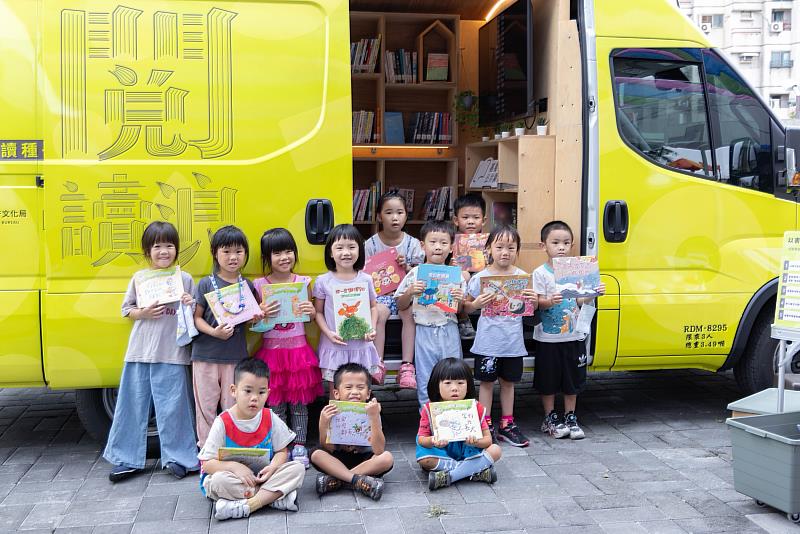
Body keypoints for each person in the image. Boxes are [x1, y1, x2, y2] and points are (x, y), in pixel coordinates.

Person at [104, 221, 199, 482]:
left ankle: (180, 459)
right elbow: (127, 310)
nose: (164, 251)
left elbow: (194, 317)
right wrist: (142, 313)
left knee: (174, 408)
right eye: (157, 246)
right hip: (140, 352)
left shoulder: (185, 279)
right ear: (148, 251)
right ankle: (126, 460)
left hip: (172, 352)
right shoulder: (140, 278)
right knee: (132, 406)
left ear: (176, 249)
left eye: (169, 245)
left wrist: (190, 304)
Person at [198, 358, 305, 520]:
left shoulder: (270, 417)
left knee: (297, 468)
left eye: (261, 392)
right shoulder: (223, 422)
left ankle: (246, 505)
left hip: (263, 477)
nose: (254, 398)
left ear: (268, 393)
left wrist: (274, 466)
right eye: (247, 391)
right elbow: (207, 464)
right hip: (235, 479)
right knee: (218, 480)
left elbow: (282, 452)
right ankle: (271, 498)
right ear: (233, 390)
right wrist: (234, 467)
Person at [253, 228, 323, 469]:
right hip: (272, 353)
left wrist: (312, 312)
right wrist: (261, 314)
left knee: (299, 403)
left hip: (298, 352)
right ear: (267, 257)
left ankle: (300, 445)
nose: (284, 257)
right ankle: (281, 446)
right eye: (277, 253)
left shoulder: (303, 282)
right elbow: (255, 325)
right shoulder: (260, 284)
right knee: (276, 403)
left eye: (288, 251)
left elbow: (313, 317)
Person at [463, 224, 537, 447]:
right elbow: (465, 308)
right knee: (485, 383)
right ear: (489, 249)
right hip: (487, 343)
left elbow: (529, 309)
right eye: (500, 247)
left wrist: (532, 300)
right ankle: (485, 425)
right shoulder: (480, 278)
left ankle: (507, 424)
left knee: (509, 383)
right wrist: (476, 303)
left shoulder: (523, 278)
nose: (505, 252)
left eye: (511, 247)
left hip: (512, 344)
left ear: (517, 251)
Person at [534, 220, 605, 440]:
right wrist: (549, 301)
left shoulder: (578, 272)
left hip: (574, 334)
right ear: (543, 245)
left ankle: (571, 416)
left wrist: (593, 293)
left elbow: (581, 301)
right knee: (548, 380)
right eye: (555, 242)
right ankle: (550, 416)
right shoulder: (540, 273)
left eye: (566, 243)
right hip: (548, 338)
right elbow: (536, 303)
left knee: (572, 379)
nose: (561, 247)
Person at [192, 225, 263, 447]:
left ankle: (233, 447)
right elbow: (197, 318)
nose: (233, 257)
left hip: (235, 357)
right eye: (226, 251)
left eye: (238, 252)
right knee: (206, 406)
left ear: (245, 254)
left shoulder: (246, 285)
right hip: (205, 356)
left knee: (233, 405)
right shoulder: (205, 283)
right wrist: (214, 332)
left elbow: (252, 319)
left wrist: (258, 317)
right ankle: (206, 449)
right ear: (215, 253)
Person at [396, 220, 465, 408]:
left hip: (448, 329)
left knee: (453, 376)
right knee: (427, 376)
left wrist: (460, 300)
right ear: (422, 245)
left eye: (443, 243)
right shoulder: (416, 273)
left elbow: (459, 311)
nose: (438, 247)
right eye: (433, 242)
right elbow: (400, 304)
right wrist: (410, 292)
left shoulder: (456, 275)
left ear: (451, 247)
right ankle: (427, 420)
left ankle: (453, 418)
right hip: (424, 331)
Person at [366, 191, 425, 388]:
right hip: (381, 296)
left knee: (408, 314)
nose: (394, 217)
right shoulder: (370, 244)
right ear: (379, 216)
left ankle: (407, 366)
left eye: (399, 212)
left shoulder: (413, 244)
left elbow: (420, 273)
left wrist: (406, 266)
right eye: (389, 212)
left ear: (406, 216)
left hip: (405, 294)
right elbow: (364, 273)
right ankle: (378, 364)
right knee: (379, 314)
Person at [311, 362, 394, 500]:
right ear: (336, 393)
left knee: (387, 458)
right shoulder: (331, 411)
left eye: (360, 387)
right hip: (338, 459)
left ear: (368, 393)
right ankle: (357, 481)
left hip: (366, 462)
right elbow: (326, 447)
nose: (354, 392)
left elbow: (379, 450)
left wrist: (374, 417)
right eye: (348, 387)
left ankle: (338, 480)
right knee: (316, 454)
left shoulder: (373, 410)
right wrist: (323, 423)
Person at [416, 358, 502, 490]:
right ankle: (474, 472)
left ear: (468, 386)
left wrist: (476, 442)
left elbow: (488, 441)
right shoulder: (430, 409)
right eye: (448, 383)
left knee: (496, 450)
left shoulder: (475, 407)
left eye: (460, 383)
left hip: (469, 452)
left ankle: (450, 476)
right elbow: (422, 439)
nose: (455, 388)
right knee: (425, 460)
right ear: (436, 386)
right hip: (442, 452)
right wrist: (434, 440)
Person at [313, 224, 380, 392]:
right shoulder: (323, 281)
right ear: (330, 252)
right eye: (339, 247)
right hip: (335, 345)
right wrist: (329, 334)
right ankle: (336, 420)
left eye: (352, 247)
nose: (346, 253)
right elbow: (318, 312)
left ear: (360, 250)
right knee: (336, 393)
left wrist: (371, 328)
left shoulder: (366, 279)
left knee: (360, 390)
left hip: (361, 346)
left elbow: (373, 307)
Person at [451, 194, 488, 340]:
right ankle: (463, 318)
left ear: (484, 220)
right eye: (465, 217)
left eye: (476, 218)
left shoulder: (488, 241)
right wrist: (452, 265)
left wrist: (488, 261)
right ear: (456, 220)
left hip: (482, 275)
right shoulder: (451, 240)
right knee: (464, 275)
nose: (471, 222)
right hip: (462, 277)